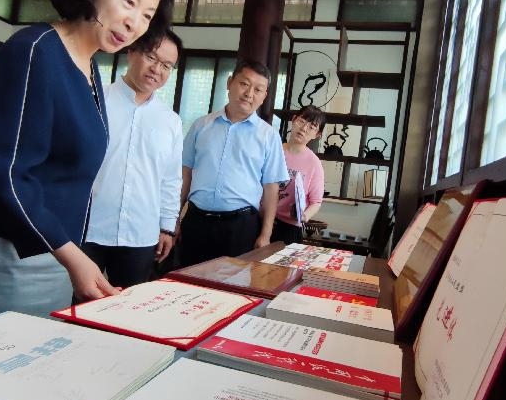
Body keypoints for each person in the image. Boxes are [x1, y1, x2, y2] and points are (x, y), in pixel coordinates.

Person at [0, 0, 176, 333]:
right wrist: (72, 257)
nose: (135, 23)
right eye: (128, 2)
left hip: (55, 249)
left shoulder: (89, 65)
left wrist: (69, 254)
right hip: (4, 248)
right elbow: (7, 172)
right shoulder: (34, 51)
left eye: (147, 15)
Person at [83, 30, 183, 288]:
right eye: (151, 57)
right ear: (131, 52)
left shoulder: (170, 121)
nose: (157, 69)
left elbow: (170, 180)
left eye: (166, 65)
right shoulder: (95, 101)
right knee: (79, 302)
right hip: (87, 228)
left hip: (141, 233)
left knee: (129, 305)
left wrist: (167, 227)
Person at [178, 59, 288, 267]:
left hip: (240, 227)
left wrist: (265, 235)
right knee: (188, 280)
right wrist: (173, 220)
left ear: (264, 96)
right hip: (196, 221)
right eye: (244, 84)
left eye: (258, 89)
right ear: (230, 83)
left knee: (233, 285)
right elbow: (185, 175)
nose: (249, 93)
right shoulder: (201, 125)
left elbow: (271, 189)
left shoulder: (269, 136)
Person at [271, 105, 326, 244]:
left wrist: (304, 215)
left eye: (312, 127)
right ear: (294, 119)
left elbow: (316, 202)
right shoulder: (273, 151)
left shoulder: (314, 163)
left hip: (289, 227)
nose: (304, 128)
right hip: (261, 218)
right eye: (302, 121)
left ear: (317, 135)